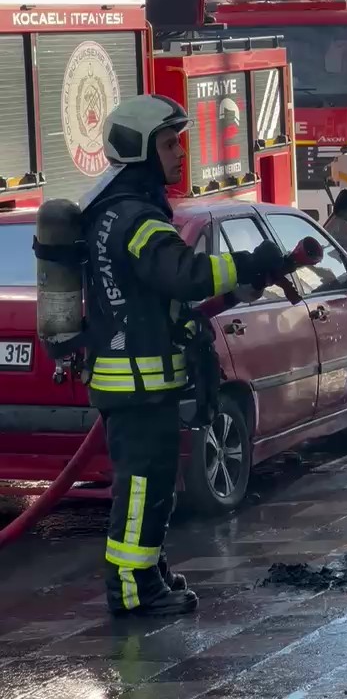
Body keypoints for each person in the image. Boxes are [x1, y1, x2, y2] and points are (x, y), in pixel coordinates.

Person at [80, 94, 285, 618]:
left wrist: (234, 286)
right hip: (138, 382)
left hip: (137, 380)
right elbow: (183, 274)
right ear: (141, 149)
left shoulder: (116, 210)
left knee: (150, 487)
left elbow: (156, 298)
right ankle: (131, 588)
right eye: (168, 143)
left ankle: (148, 571)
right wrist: (244, 263)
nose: (179, 153)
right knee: (142, 487)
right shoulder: (137, 218)